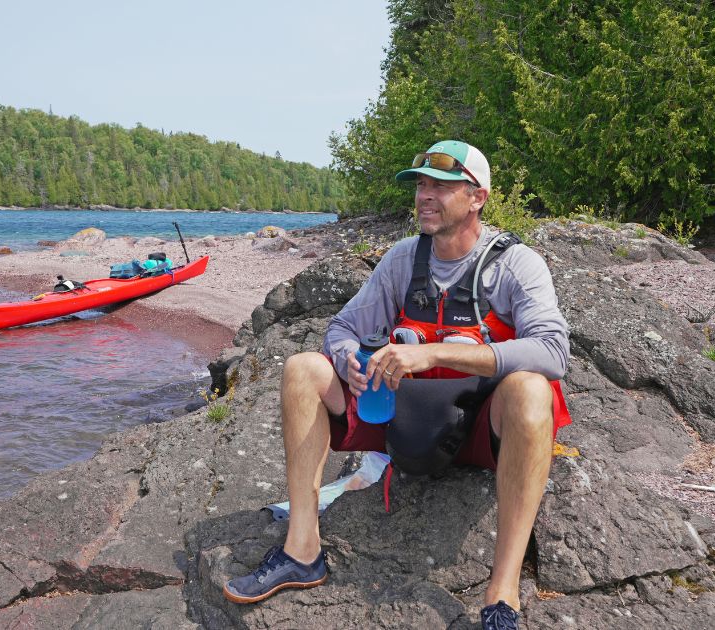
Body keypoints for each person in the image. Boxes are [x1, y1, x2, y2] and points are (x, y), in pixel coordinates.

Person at [223, 140, 571, 630]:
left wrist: (433, 351)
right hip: (397, 420)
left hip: (478, 430)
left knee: (533, 389)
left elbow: (555, 351)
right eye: (421, 185)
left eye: (441, 187)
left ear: (478, 198)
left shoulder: (516, 265)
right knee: (303, 368)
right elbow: (341, 330)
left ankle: (502, 598)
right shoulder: (403, 260)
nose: (425, 196)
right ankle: (302, 551)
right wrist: (347, 363)